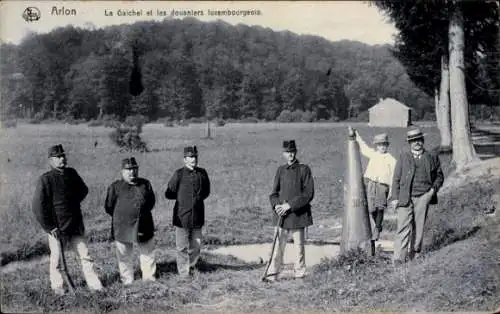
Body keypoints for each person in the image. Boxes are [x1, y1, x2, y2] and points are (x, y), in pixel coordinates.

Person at [32, 144, 103, 295]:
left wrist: (71, 204)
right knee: (57, 260)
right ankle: (58, 288)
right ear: (50, 160)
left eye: (63, 156)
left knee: (85, 256)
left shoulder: (72, 173)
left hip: (76, 224)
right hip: (57, 228)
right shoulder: (46, 179)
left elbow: (84, 190)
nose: (62, 159)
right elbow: (38, 207)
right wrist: (50, 227)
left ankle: (95, 286)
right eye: (58, 157)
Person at [391, 129, 444, 264]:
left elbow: (439, 176)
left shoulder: (431, 156)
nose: (417, 143)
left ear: (423, 141)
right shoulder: (404, 157)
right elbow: (396, 178)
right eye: (413, 141)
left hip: (423, 196)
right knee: (403, 226)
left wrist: (432, 191)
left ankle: (415, 254)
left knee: (419, 227)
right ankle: (399, 258)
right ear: (409, 143)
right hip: (405, 197)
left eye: (419, 140)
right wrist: (395, 198)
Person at [266, 140, 314, 282]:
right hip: (281, 216)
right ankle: (272, 273)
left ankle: (300, 273)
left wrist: (290, 206)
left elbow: (308, 194)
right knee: (277, 247)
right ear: (283, 154)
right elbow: (273, 194)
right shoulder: (280, 170)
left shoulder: (304, 169)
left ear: (296, 152)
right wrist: (276, 206)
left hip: (298, 215)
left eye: (292, 152)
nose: (290, 155)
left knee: (298, 246)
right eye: (287, 152)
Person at [104, 157, 156, 284]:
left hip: (144, 224)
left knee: (148, 253)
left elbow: (151, 202)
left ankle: (149, 279)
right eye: (128, 170)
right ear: (122, 171)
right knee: (124, 255)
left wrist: (141, 214)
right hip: (122, 226)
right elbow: (109, 207)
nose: (132, 172)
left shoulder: (145, 184)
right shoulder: (115, 187)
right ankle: (127, 280)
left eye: (134, 169)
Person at [165, 146, 211, 277]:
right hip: (182, 216)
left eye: (195, 157)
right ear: (184, 159)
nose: (193, 159)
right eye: (190, 157)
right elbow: (169, 193)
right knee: (182, 246)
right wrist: (183, 199)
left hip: (198, 214)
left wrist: (196, 201)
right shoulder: (178, 174)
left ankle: (192, 266)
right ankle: (183, 273)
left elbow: (206, 192)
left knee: (196, 244)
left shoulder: (202, 173)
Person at [350, 127, 397, 247]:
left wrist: (392, 191)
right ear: (377, 146)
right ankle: (376, 225)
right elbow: (363, 147)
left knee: (380, 207)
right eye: (380, 145)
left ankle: (377, 227)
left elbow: (393, 177)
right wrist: (357, 135)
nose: (382, 147)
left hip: (383, 186)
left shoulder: (391, 160)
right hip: (371, 184)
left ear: (387, 146)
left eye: (384, 145)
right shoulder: (373, 155)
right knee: (371, 208)